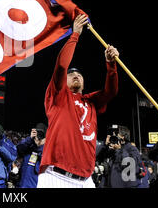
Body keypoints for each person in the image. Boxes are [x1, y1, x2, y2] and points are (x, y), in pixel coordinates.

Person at [38, 14, 119, 188]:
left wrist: (111, 64)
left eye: (79, 74)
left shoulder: (91, 101)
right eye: (71, 74)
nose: (76, 75)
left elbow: (110, 91)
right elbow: (61, 66)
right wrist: (75, 35)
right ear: (63, 80)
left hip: (86, 180)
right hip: (55, 176)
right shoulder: (58, 95)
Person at [16, 123, 46, 188]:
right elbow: (19, 148)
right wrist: (29, 138)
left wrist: (41, 145)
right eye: (37, 133)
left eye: (41, 134)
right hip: (21, 184)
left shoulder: (46, 150)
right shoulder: (29, 148)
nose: (38, 137)